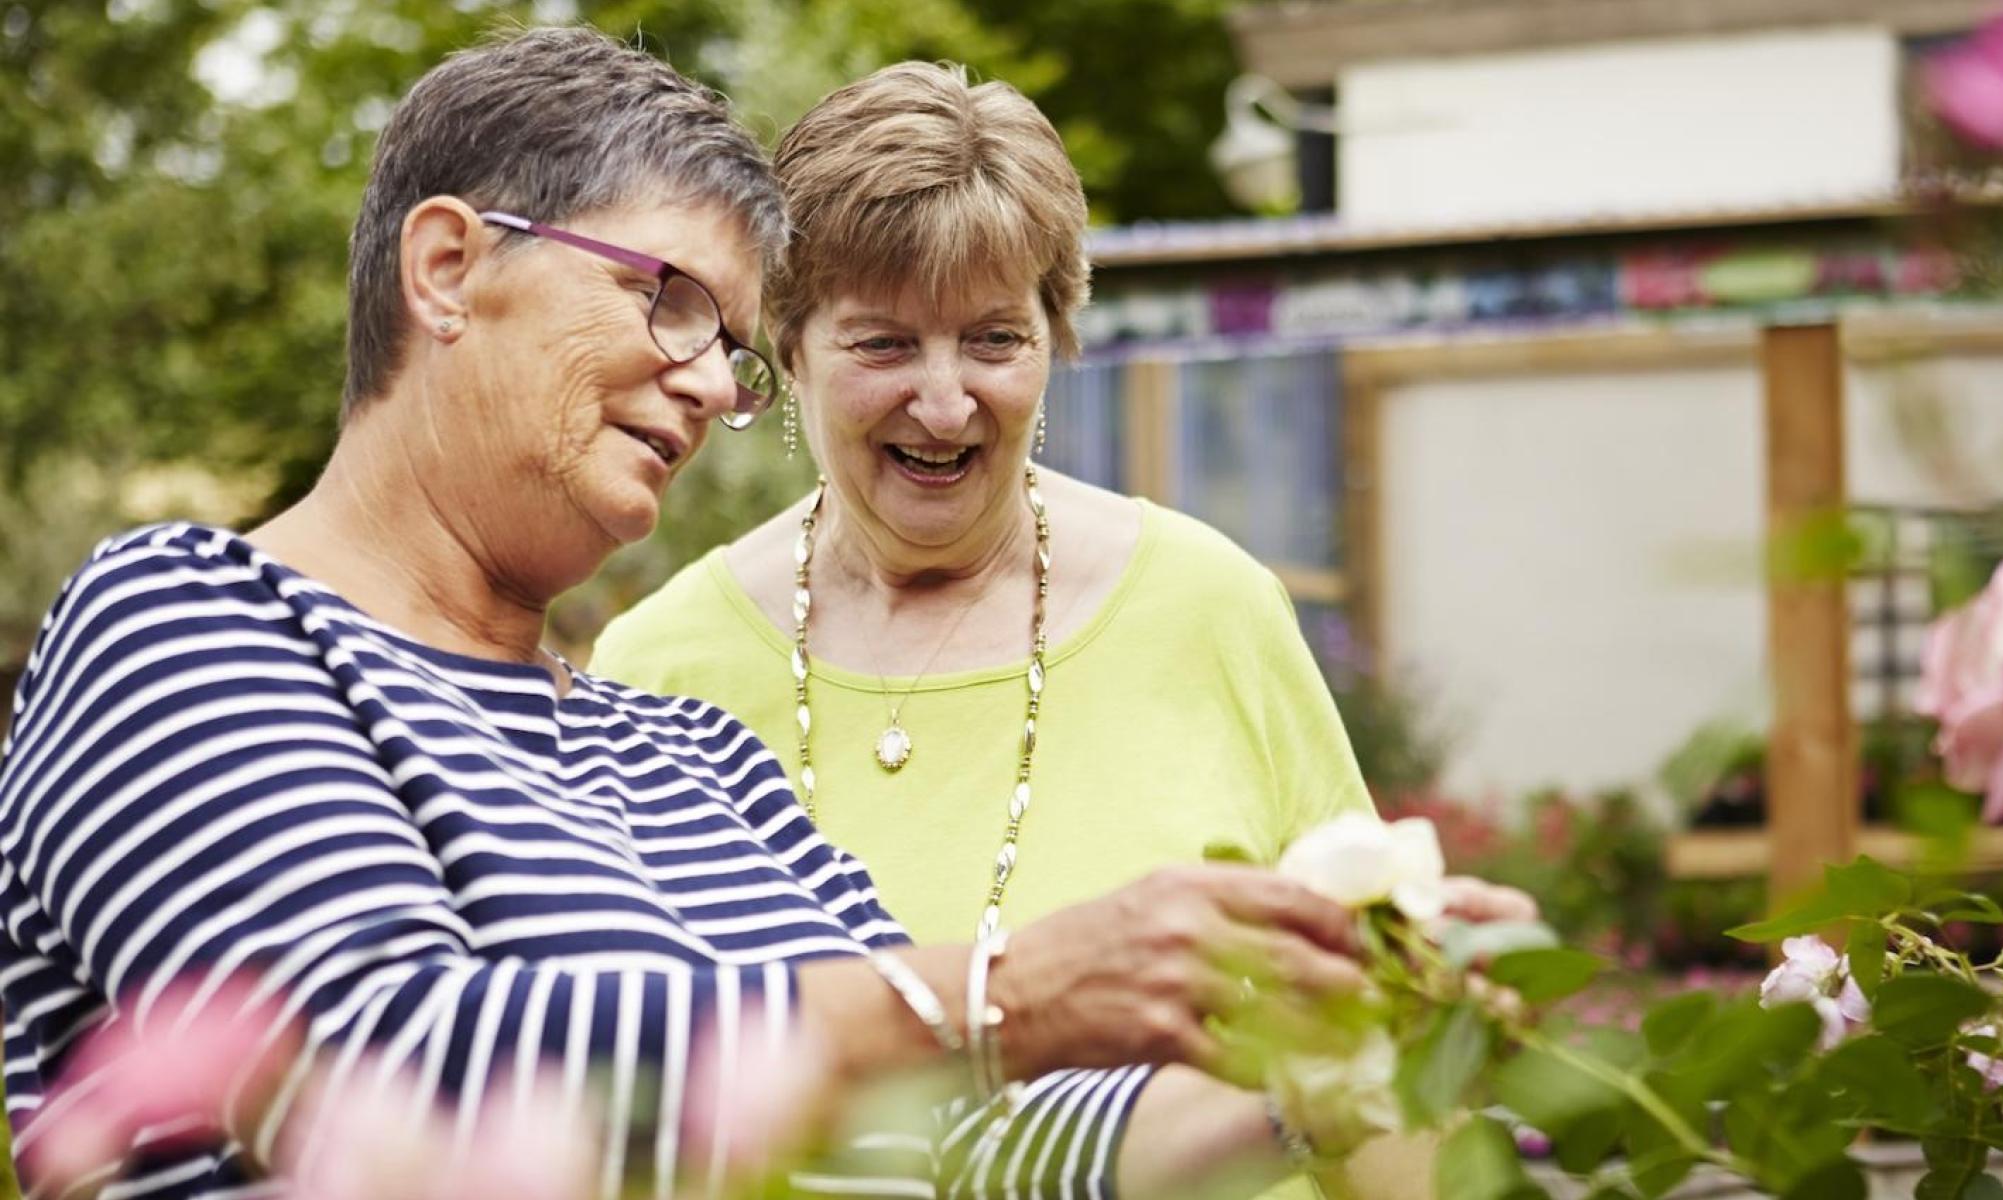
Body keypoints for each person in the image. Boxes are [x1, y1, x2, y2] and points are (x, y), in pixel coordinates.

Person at [0, 29, 1384, 1200]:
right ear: (445, 270)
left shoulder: (688, 754)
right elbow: (381, 1076)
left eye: (729, 343)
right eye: (668, 302)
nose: (718, 389)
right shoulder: (189, 623)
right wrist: (1003, 994)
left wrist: (1323, 1075)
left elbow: (943, 1134)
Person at [588, 60, 1530, 1199]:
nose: (944, 403)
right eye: (883, 344)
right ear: (787, 348)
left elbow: (1377, 1059)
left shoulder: (1210, 609)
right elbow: (632, 1112)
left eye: (993, 339)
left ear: (1057, 338)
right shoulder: (656, 669)